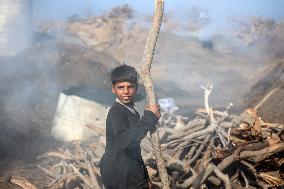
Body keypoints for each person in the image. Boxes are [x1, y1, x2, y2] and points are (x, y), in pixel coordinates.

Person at [100, 64, 161, 189]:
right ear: (113, 89)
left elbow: (135, 150)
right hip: (119, 175)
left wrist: (144, 176)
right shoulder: (116, 112)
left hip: (130, 170)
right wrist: (149, 117)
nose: (126, 91)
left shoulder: (131, 111)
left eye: (130, 87)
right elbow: (126, 141)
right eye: (120, 87)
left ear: (137, 88)